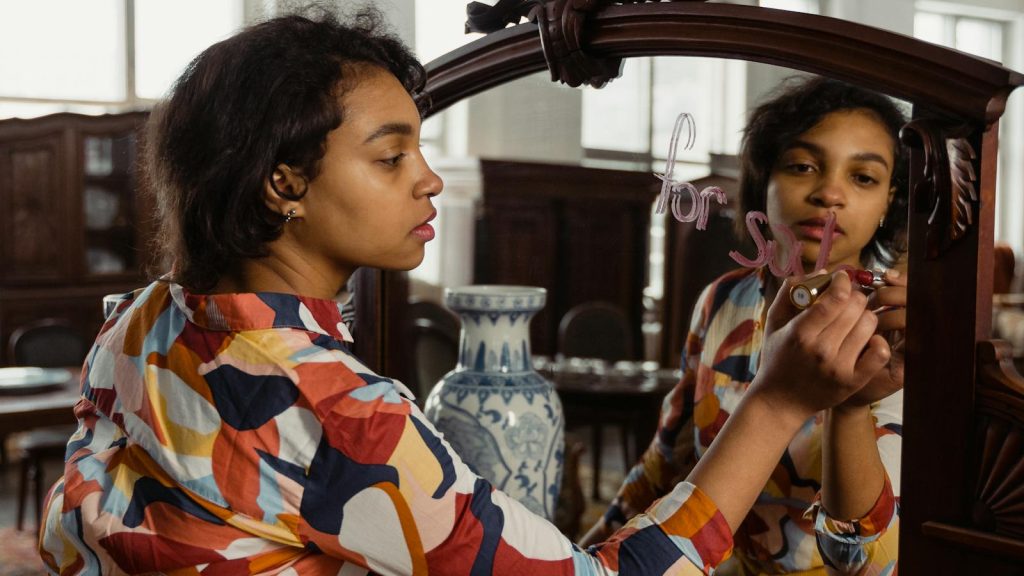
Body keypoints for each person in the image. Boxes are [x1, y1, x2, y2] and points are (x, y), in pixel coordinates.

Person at [38, 11, 893, 575]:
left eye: (865, 176)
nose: (432, 180)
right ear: (283, 182)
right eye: (391, 155)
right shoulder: (345, 415)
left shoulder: (147, 316)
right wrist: (777, 404)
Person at [580, 76, 909, 576]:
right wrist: (581, 556)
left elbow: (864, 557)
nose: (830, 194)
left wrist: (851, 406)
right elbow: (667, 461)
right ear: (763, 181)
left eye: (863, 177)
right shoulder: (723, 300)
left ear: (888, 201)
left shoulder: (893, 328)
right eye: (802, 166)